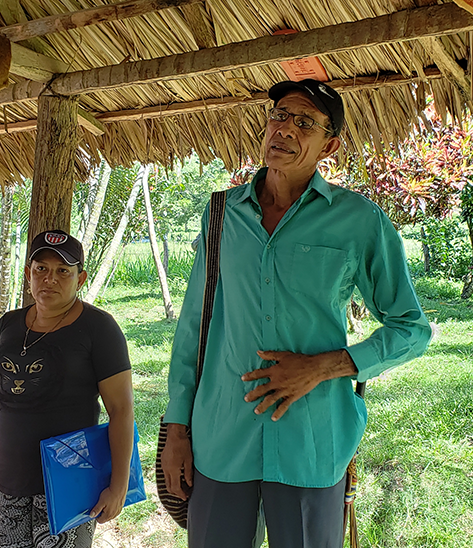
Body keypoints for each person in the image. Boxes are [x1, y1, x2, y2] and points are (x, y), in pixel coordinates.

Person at [161, 79, 432, 548]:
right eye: (279, 115)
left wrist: (321, 368)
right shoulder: (223, 213)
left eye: (304, 122)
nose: (284, 128)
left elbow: (412, 328)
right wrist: (176, 428)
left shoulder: (358, 221)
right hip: (222, 436)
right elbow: (194, 325)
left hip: (311, 441)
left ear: (331, 144)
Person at [0, 229, 134, 548]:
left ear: (80, 279)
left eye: (63, 271)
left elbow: (121, 409)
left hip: (69, 486)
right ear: (28, 274)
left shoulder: (98, 329)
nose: (50, 279)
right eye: (41, 269)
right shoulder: (8, 326)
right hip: (8, 482)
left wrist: (118, 486)